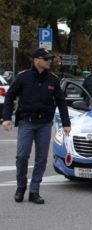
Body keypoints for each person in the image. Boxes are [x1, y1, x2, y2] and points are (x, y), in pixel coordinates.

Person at [2, 48, 71, 204]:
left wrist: (66, 123)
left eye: (50, 59)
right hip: (27, 122)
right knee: (22, 156)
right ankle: (21, 187)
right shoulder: (23, 77)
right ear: (36, 60)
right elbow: (10, 96)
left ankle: (34, 191)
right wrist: (6, 118)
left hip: (45, 124)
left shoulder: (53, 79)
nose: (49, 61)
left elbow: (61, 101)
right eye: (46, 59)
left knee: (41, 159)